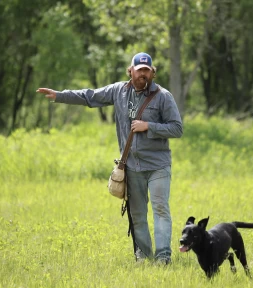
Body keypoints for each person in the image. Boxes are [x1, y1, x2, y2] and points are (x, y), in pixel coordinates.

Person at [37, 52, 183, 265]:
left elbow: (177, 128)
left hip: (158, 165)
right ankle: (143, 257)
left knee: (160, 209)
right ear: (130, 70)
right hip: (132, 166)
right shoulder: (118, 92)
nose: (143, 74)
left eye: (147, 70)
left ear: (152, 72)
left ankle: (163, 258)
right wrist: (60, 95)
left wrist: (149, 126)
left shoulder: (163, 96)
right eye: (139, 70)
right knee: (138, 214)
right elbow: (89, 96)